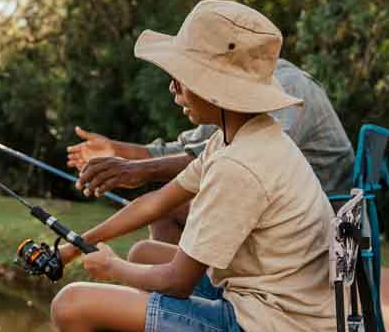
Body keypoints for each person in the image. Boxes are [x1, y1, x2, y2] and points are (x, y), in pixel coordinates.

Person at [50, 0, 336, 332]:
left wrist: (112, 267)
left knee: (70, 308)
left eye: (182, 80)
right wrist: (74, 244)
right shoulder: (242, 137)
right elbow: (156, 203)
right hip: (281, 311)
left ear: (217, 87)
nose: (174, 91)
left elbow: (177, 282)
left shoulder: (238, 167)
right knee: (148, 250)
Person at [67, 59, 354, 243]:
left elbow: (240, 159)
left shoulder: (285, 88)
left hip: (314, 223)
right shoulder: (230, 104)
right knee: (159, 227)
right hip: (282, 212)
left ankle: (188, 312)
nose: (173, 86)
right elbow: (187, 151)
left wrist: (139, 171)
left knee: (170, 213)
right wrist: (117, 150)